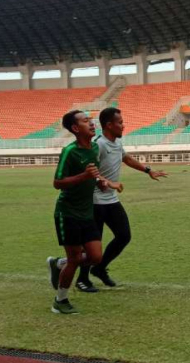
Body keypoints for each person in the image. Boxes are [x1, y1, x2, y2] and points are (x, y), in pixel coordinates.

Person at [75, 108, 167, 292]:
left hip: (111, 199)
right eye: (120, 122)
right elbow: (89, 170)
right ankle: (82, 279)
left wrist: (148, 170)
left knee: (124, 235)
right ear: (109, 125)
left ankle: (99, 268)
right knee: (93, 243)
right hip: (94, 202)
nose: (123, 125)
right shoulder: (99, 145)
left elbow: (125, 158)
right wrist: (104, 182)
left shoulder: (116, 143)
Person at [46, 110, 121, 314]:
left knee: (95, 257)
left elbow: (94, 175)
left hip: (86, 212)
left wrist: (104, 183)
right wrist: (84, 176)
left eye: (91, 120)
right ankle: (60, 301)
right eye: (86, 121)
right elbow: (57, 183)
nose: (91, 123)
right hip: (67, 213)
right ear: (75, 128)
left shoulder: (94, 147)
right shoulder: (70, 151)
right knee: (75, 259)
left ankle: (58, 263)